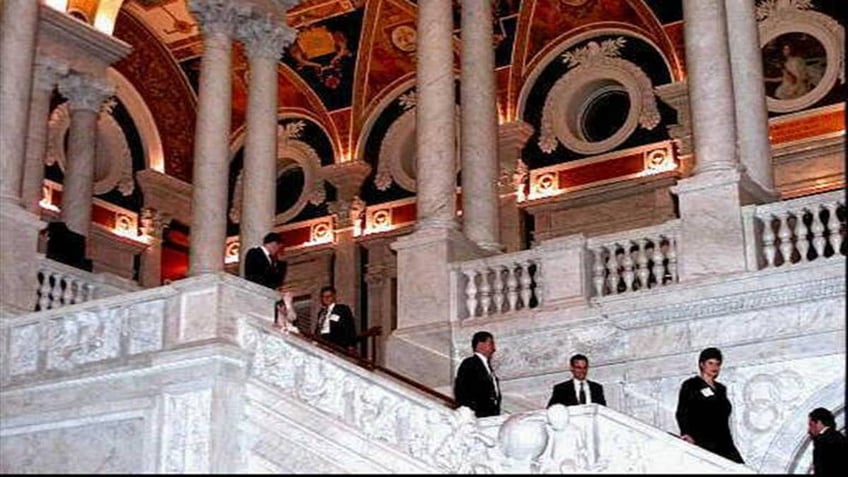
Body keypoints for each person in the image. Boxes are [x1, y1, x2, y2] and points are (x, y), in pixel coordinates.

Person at [675, 347, 744, 464]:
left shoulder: (721, 389)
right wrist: (686, 433)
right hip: (702, 440)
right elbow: (682, 411)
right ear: (702, 364)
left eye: (717, 364)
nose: (714, 367)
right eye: (710, 363)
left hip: (724, 440)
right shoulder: (691, 385)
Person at [453, 331, 501, 418]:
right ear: (480, 345)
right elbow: (462, 390)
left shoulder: (486, 365)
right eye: (491, 343)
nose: (494, 348)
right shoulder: (470, 364)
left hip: (490, 415)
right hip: (478, 416)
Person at [312, 285, 357, 350]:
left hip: (336, 340)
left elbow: (349, 326)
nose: (326, 298)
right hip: (322, 339)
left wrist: (351, 344)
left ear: (334, 296)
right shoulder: (321, 313)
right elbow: (318, 327)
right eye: (324, 296)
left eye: (329, 296)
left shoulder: (342, 309)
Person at [808, 407, 847, 475]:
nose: (809, 429)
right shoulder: (839, 436)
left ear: (819, 422)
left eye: (811, 424)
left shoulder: (822, 440)